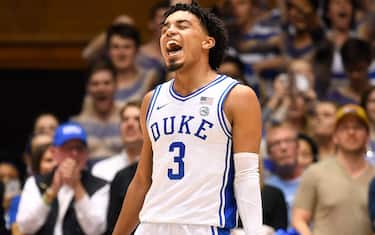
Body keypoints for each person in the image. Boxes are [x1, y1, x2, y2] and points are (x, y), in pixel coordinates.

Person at [113, 2, 262, 235]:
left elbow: (246, 176)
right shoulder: (151, 100)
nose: (169, 32)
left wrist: (254, 232)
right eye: (164, 29)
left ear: (207, 41)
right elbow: (142, 180)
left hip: (203, 225)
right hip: (151, 224)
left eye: (182, 25)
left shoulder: (236, 96)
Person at [292, 104, 375, 235]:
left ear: (367, 136)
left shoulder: (374, 176)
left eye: (357, 127)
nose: (351, 132)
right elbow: (299, 218)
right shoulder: (315, 172)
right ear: (335, 136)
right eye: (344, 128)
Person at [16, 122, 109, 235]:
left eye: (79, 148)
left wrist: (77, 186)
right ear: (54, 152)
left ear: (87, 153)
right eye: (68, 148)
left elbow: (96, 230)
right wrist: (52, 190)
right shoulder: (34, 183)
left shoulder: (101, 186)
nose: (74, 153)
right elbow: (25, 227)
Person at [71, 59, 122, 162]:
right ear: (88, 88)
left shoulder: (128, 119)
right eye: (95, 84)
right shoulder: (76, 124)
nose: (101, 88)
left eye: (106, 83)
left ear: (116, 86)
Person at [91, 100, 143, 182]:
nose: (130, 124)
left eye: (137, 119)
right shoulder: (101, 170)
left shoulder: (159, 169)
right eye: (125, 119)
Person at [265, 123, 303, 227]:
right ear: (269, 153)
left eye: (288, 141)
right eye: (276, 144)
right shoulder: (265, 190)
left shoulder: (314, 180)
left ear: (298, 147)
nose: (283, 147)